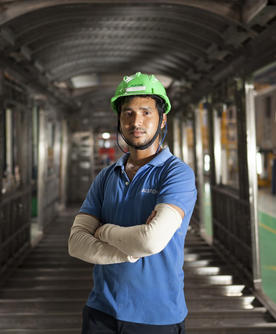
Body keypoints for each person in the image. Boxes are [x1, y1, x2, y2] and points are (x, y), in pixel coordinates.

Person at [68, 72, 197, 334]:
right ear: (119, 119)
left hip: (157, 317)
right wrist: (131, 250)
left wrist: (103, 232)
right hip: (100, 313)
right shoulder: (106, 176)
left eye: (145, 112)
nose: (136, 121)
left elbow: (151, 241)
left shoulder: (176, 173)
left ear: (162, 120)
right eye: (128, 113)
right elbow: (76, 244)